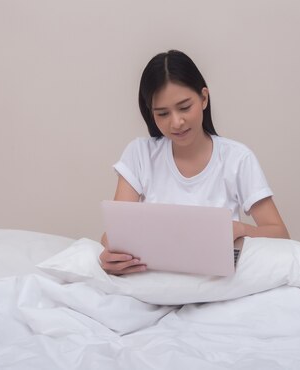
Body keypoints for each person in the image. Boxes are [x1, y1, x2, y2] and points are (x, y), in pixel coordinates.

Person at [100, 50, 289, 275]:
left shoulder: (237, 158)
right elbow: (114, 233)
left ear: (204, 98)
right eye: (162, 113)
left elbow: (280, 234)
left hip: (215, 283)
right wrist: (110, 254)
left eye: (184, 107)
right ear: (151, 114)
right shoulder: (139, 154)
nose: (176, 122)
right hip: (155, 280)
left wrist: (239, 229)